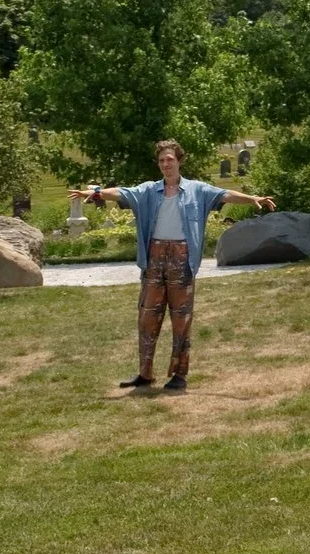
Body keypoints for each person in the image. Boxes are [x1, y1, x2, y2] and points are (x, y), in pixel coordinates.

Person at [72, 141, 273, 392]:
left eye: (170, 160)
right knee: (147, 317)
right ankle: (145, 373)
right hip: (154, 259)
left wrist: (251, 198)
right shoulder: (148, 191)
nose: (165, 165)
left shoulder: (197, 190)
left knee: (181, 319)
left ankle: (179, 374)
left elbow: (224, 194)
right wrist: (98, 192)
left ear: (179, 161)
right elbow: (123, 192)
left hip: (182, 258)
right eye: (161, 161)